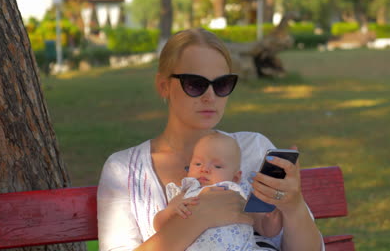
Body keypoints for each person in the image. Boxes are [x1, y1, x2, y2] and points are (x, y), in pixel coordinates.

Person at [97, 28, 324, 251]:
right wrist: (198, 218)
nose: (210, 97)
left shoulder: (255, 149)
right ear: (164, 86)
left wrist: (293, 207)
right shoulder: (123, 170)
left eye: (222, 84)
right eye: (195, 84)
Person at [153, 132, 282, 251]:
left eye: (217, 166)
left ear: (235, 177)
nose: (205, 169)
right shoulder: (185, 194)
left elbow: (266, 230)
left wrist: (272, 217)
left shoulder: (239, 196)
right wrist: (171, 211)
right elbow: (159, 226)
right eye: (198, 164)